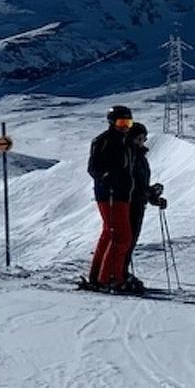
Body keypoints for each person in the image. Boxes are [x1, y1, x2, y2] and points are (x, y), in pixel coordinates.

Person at [83, 105, 139, 292]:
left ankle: (98, 276)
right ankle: (110, 279)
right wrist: (108, 178)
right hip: (111, 195)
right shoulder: (104, 141)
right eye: (121, 122)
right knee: (122, 237)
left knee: (110, 234)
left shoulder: (126, 142)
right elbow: (93, 168)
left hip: (122, 194)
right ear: (111, 122)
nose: (125, 126)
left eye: (128, 123)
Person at [126, 123, 168, 283]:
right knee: (126, 241)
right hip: (129, 204)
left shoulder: (140, 158)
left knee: (130, 241)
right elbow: (131, 185)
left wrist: (153, 197)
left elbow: (140, 185)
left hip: (137, 203)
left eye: (144, 138)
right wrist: (149, 193)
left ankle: (121, 273)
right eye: (140, 138)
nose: (143, 141)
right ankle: (118, 274)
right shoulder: (130, 157)